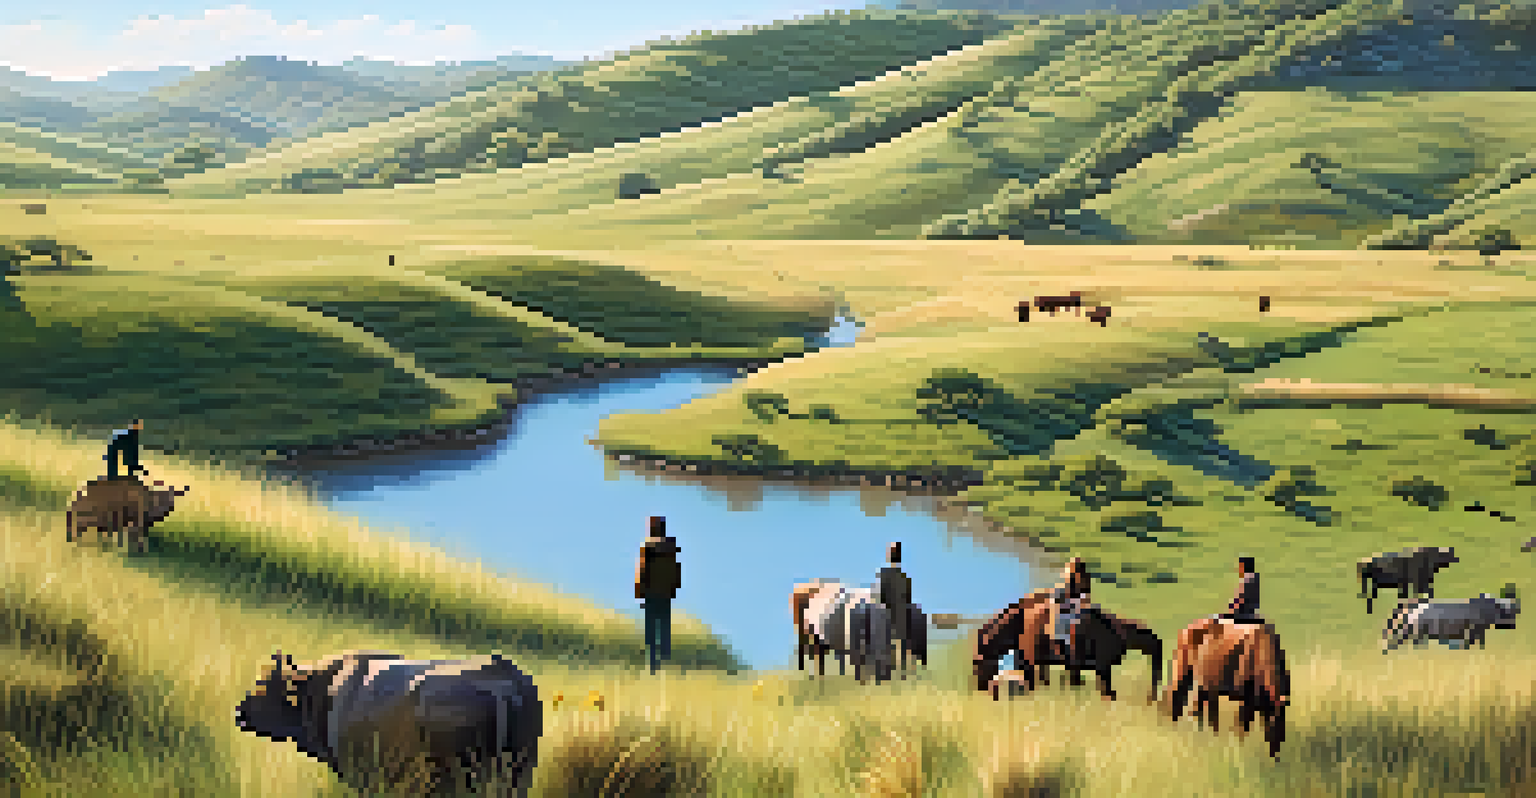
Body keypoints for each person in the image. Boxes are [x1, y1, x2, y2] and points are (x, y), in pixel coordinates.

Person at [634, 516, 681, 675]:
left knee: (651, 631)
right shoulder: (671, 546)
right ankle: (665, 662)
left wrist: (640, 593)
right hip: (666, 594)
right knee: (664, 629)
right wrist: (674, 588)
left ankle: (653, 666)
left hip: (651, 594)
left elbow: (642, 571)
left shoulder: (647, 546)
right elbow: (676, 570)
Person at [874, 542, 913, 673]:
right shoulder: (905, 577)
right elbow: (908, 599)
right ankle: (902, 669)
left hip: (888, 615)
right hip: (902, 615)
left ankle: (885, 668)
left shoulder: (884, 574)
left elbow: (882, 597)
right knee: (902, 643)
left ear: (889, 555)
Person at [1052, 556, 1092, 654]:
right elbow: (1058, 600)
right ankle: (1066, 647)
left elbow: (1087, 598)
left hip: (1076, 609)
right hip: (1065, 610)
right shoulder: (1065, 584)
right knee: (1069, 622)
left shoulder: (1084, 580)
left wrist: (1081, 602)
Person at [1216, 556, 1261, 623]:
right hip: (1252, 612)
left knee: (1217, 619)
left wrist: (1232, 607)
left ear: (1244, 567)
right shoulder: (1255, 578)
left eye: (1240, 566)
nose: (1239, 569)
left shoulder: (1247, 579)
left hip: (1242, 614)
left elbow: (1241, 599)